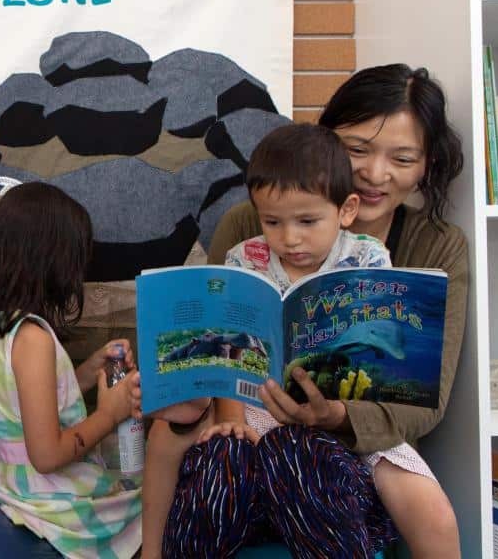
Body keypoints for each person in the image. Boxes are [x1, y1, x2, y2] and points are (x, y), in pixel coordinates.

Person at [141, 64, 466, 558]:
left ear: (426, 165)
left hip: (348, 439)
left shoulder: (401, 254)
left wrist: (332, 414)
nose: (377, 172)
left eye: (402, 157)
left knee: (424, 507)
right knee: (194, 444)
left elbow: (422, 398)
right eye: (358, 149)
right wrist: (215, 409)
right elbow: (219, 350)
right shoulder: (248, 233)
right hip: (252, 416)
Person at [0, 181, 206, 559]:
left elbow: (27, 400)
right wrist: (112, 413)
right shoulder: (33, 339)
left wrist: (89, 368)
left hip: (8, 476)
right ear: (53, 260)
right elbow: (46, 456)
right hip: (48, 496)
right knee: (158, 496)